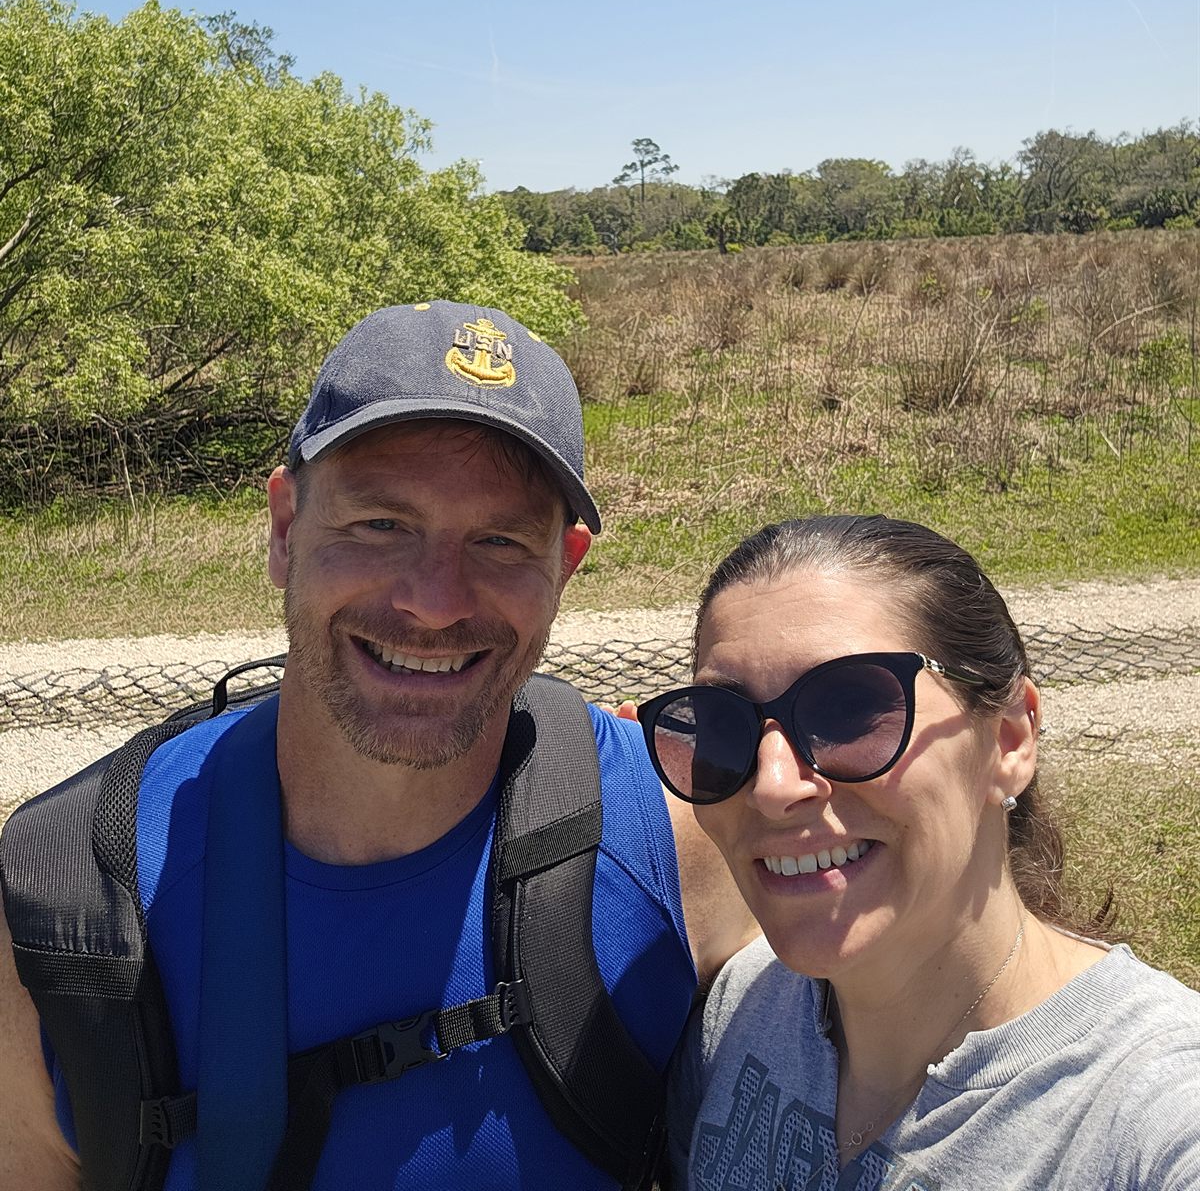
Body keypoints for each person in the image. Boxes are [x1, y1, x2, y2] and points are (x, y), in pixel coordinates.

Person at [0, 300, 755, 1191]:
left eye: (500, 540)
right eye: (380, 525)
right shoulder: (63, 895)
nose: (434, 602)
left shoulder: (686, 844)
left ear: (565, 565)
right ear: (285, 529)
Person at [634, 515, 1200, 1191]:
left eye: (849, 709)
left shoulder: (1155, 1122)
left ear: (1010, 740)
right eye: (723, 725)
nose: (773, 786)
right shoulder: (739, 1013)